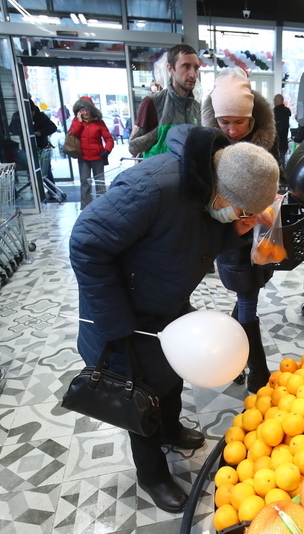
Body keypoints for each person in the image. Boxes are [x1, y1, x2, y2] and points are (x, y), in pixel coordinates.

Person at [70, 124, 280, 513]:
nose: (241, 215)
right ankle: (152, 474)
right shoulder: (154, 188)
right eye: (240, 209)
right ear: (221, 189)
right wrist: (116, 323)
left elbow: (200, 238)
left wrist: (237, 230)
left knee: (170, 373)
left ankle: (170, 427)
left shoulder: (206, 192)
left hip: (165, 300)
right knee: (139, 389)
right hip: (123, 310)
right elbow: (86, 244)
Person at [201, 69, 279, 393]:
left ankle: (231, 361)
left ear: (252, 119)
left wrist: (271, 204)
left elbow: (276, 183)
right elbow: (207, 203)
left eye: (239, 122)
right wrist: (240, 211)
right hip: (230, 239)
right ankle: (259, 373)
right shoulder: (206, 151)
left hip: (262, 238)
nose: (232, 130)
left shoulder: (268, 144)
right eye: (224, 122)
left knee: (248, 298)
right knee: (248, 302)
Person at [128, 44, 201, 158]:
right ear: (170, 68)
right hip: (158, 173)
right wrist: (162, 131)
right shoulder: (151, 103)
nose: (193, 74)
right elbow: (133, 147)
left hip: (189, 173)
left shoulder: (197, 107)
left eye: (196, 68)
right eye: (186, 66)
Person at [68, 96, 114, 210]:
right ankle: (86, 207)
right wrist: (78, 122)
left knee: (100, 182)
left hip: (98, 157)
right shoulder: (76, 122)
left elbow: (109, 139)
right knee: (85, 182)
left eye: (87, 109)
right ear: (79, 111)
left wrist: (107, 150)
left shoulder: (99, 122)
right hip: (83, 157)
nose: (85, 112)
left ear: (92, 109)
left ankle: (102, 206)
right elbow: (72, 135)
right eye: (82, 110)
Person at [272, 93, 291, 166]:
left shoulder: (275, 113)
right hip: (284, 141)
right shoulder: (286, 112)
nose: (273, 103)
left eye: (274, 101)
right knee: (282, 162)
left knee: (277, 163)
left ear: (277, 101)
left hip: (277, 142)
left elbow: (278, 129)